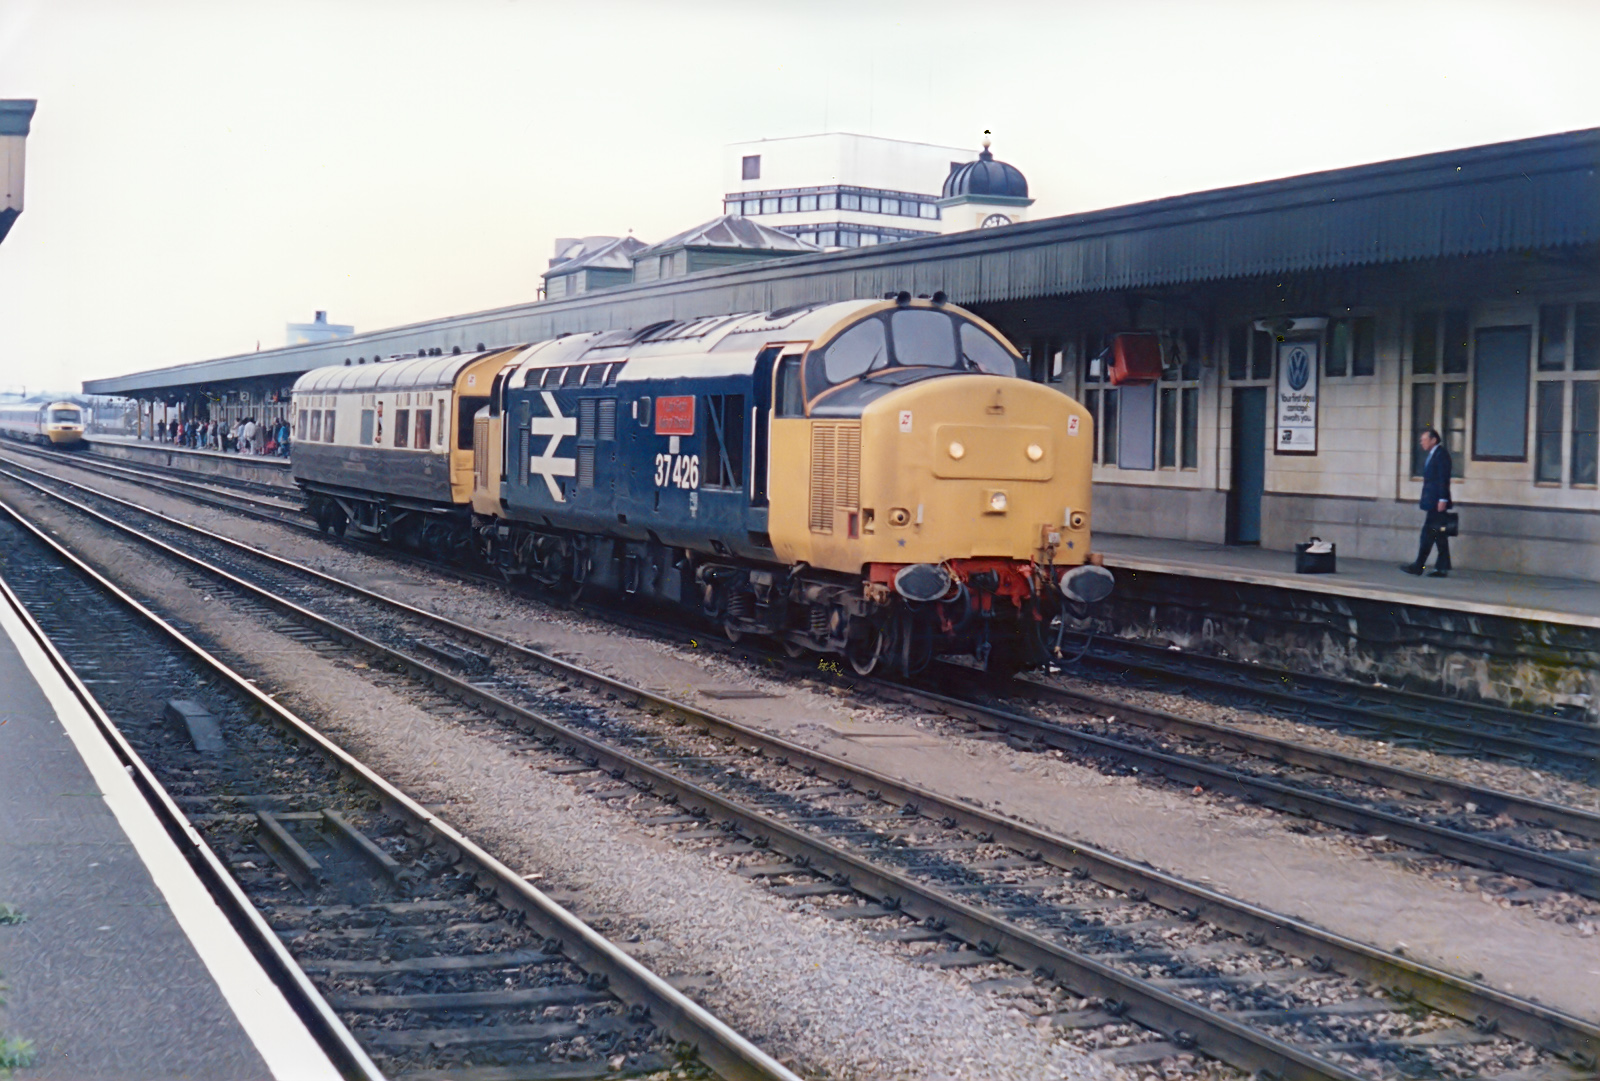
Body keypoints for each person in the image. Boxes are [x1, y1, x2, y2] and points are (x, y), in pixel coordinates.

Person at [1401, 427, 1453, 578]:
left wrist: (1442, 499)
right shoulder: (1433, 455)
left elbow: (1443, 478)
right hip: (1433, 502)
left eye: (1424, 439)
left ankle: (1419, 566)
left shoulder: (1440, 455)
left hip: (1437, 503)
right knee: (1439, 536)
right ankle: (1442, 567)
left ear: (1433, 440)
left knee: (1428, 535)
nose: (1421, 442)